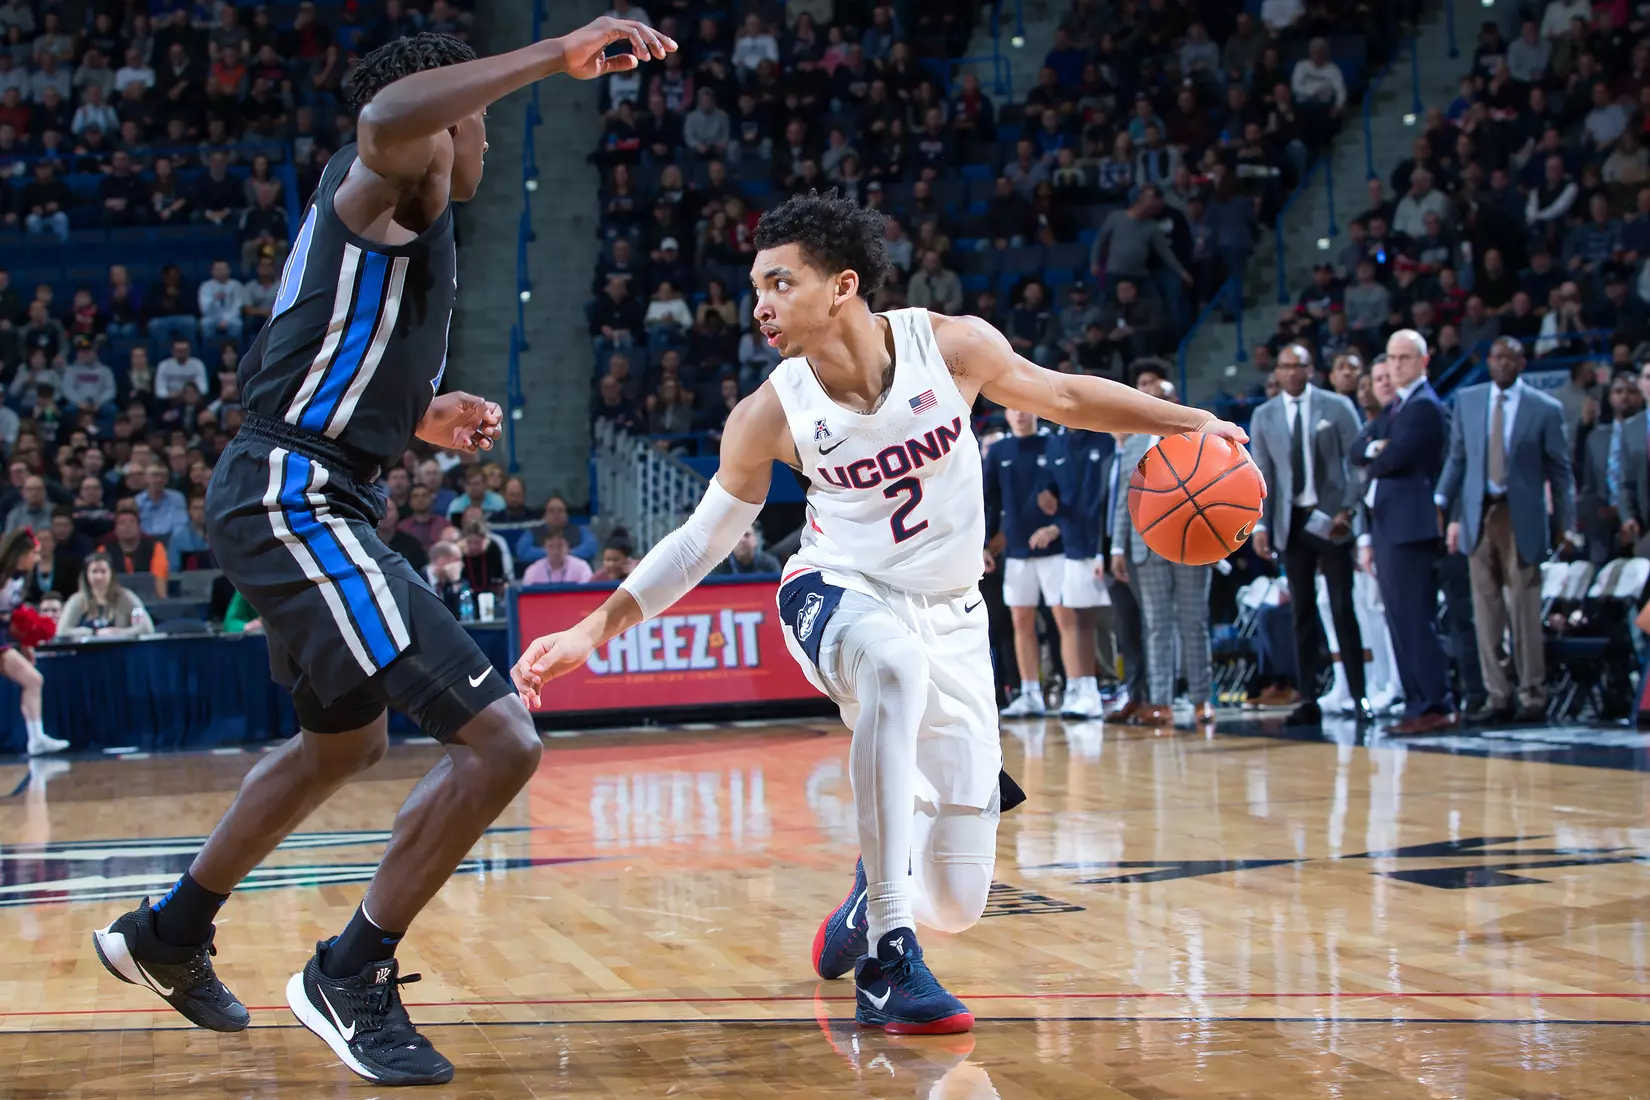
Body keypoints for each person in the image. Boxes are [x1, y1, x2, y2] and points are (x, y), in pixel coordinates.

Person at [92, 18, 677, 1088]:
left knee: (344, 747)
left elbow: (316, 357)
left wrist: (420, 413)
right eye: (478, 118)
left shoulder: (408, 218)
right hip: (295, 497)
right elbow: (381, 115)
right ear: (442, 119)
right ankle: (350, 971)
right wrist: (554, 56)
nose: (488, 142)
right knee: (502, 741)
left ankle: (170, 931)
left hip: (317, 482)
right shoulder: (386, 177)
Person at [511, 192, 1244, 1034]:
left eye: (780, 283)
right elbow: (697, 544)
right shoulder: (770, 414)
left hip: (956, 615)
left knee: (961, 900)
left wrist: (1189, 420)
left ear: (843, 286)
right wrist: (592, 630)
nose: (761, 304)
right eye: (757, 285)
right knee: (894, 669)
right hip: (835, 593)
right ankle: (889, 961)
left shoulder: (954, 347)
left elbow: (1068, 398)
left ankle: (871, 901)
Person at [1435, 337, 1574, 724]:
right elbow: (1458, 458)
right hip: (1480, 512)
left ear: (1522, 362)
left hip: (1522, 515)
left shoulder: (1546, 408)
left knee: (1525, 609)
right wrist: (1441, 500)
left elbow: (1561, 472)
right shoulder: (1469, 400)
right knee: (1487, 608)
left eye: (1510, 357)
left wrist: (1567, 523)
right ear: (1489, 361)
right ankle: (1498, 696)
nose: (1502, 363)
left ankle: (1533, 695)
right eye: (1496, 356)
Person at [1248, 344, 1372, 726]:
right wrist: (1261, 523)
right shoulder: (1264, 414)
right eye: (1284, 366)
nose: (1291, 372)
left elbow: (1359, 463)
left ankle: (1358, 695)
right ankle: (1309, 698)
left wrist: (1348, 511)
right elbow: (1260, 474)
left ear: (1310, 369)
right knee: (1300, 613)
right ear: (1277, 372)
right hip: (1291, 521)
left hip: (1331, 518)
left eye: (1298, 365)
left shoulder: (1337, 406)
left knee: (1341, 608)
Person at [1351, 330, 1456, 734]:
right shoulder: (1395, 408)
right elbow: (1358, 450)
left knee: (1415, 619)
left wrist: (1377, 453)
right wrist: (1376, 451)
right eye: (1392, 358)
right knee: (1399, 619)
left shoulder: (1424, 407)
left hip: (1412, 527)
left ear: (1423, 361)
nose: (1396, 365)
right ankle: (1417, 702)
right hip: (1390, 525)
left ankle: (1434, 701)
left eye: (1404, 358)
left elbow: (1390, 457)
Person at [1109, 363, 1218, 729]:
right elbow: (1126, 498)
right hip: (1145, 547)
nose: (1158, 402)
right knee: (1155, 625)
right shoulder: (1134, 441)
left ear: (1176, 400)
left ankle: (1203, 699)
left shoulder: (1196, 439)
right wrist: (1117, 549)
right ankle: (1161, 701)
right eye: (1151, 397)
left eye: (1164, 396)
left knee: (1194, 623)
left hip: (1192, 543)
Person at [0, 529, 67, 755]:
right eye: (35, 553)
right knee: (33, 680)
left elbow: (13, 615)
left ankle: (36, 738)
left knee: (34, 680)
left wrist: (26, 643)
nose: (38, 558)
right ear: (21, 554)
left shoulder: (18, 579)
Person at [57, 552, 154, 639]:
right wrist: (92, 633)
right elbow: (62, 631)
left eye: (103, 571)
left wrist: (120, 632)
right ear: (86, 574)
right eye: (94, 571)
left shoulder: (127, 597)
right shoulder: (76, 600)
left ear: (111, 573)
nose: (99, 576)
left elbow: (146, 627)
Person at [520, 531, 592, 585]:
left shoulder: (582, 568)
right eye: (551, 546)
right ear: (544, 548)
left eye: (560, 546)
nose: (556, 552)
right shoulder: (533, 571)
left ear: (567, 547)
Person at [713, 525, 781, 574]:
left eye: (747, 535)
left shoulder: (769, 564)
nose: (742, 540)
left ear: (756, 539)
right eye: (738, 536)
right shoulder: (719, 567)